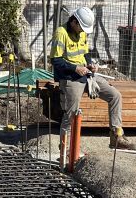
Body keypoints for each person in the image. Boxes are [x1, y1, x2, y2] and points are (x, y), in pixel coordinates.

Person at [50, 10, 125, 153]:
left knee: (115, 96)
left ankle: (116, 136)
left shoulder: (82, 33)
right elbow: (56, 60)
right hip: (69, 78)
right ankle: (65, 151)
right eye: (81, 28)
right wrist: (75, 68)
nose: (83, 31)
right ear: (74, 22)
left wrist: (90, 64)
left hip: (86, 75)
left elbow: (85, 53)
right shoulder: (61, 33)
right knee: (71, 115)